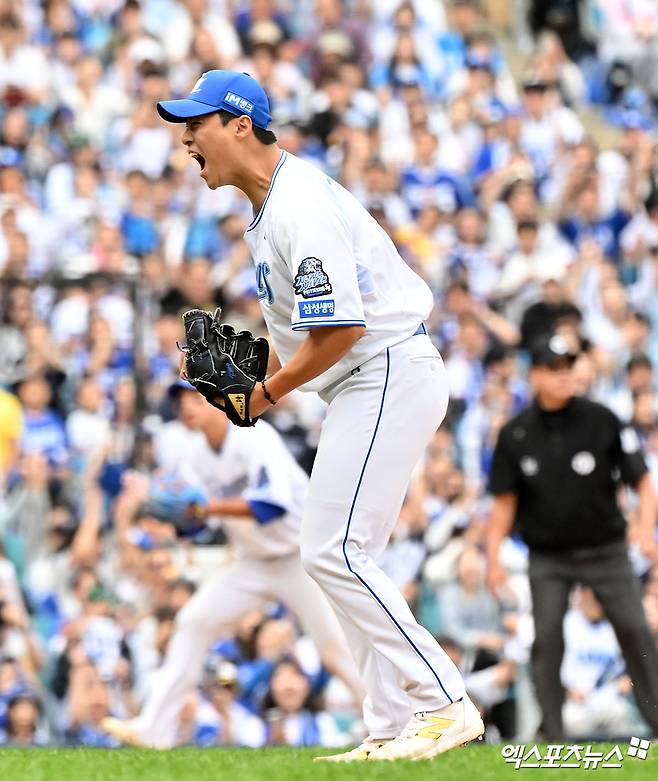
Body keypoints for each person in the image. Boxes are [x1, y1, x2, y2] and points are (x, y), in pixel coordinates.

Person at [155, 69, 483, 762]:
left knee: (331, 550)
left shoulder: (297, 204)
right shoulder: (270, 206)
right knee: (343, 555)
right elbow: (306, 329)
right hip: (369, 379)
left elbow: (341, 330)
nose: (186, 138)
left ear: (240, 123)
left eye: (198, 122)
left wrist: (266, 393)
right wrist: (256, 372)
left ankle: (443, 700)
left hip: (385, 367)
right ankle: (392, 723)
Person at [101, 383, 362, 748]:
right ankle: (154, 729)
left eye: (196, 397)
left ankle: (387, 725)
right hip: (252, 563)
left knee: (334, 649)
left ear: (220, 401)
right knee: (193, 622)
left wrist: (206, 507)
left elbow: (272, 507)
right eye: (181, 401)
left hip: (300, 558)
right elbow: (198, 523)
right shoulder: (194, 456)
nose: (187, 407)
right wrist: (165, 510)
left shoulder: (255, 435)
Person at [486, 332, 658, 740]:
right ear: (536, 375)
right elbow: (503, 503)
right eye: (554, 369)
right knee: (545, 637)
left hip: (605, 548)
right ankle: (553, 732)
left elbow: (642, 480)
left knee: (636, 630)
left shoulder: (602, 418)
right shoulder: (515, 433)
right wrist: (493, 557)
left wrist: (644, 527)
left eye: (569, 367)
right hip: (548, 555)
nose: (564, 376)